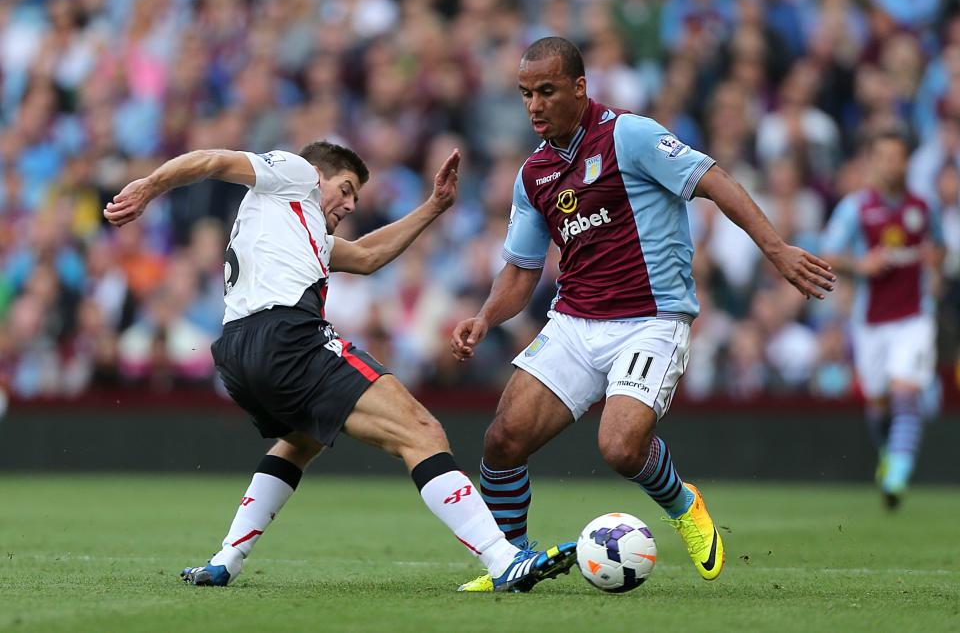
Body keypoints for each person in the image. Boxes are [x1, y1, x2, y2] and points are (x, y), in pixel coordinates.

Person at [450, 37, 836, 591]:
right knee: (501, 440)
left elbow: (714, 181)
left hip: (651, 320)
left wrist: (775, 249)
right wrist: (486, 316)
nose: (533, 105)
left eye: (547, 91)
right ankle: (511, 561)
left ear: (580, 88)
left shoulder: (629, 135)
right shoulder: (533, 174)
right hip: (576, 322)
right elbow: (521, 269)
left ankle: (683, 502)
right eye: (525, 94)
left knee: (620, 446)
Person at [103, 141, 577, 591]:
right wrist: (148, 186)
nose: (350, 204)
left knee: (300, 440)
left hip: (236, 352)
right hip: (286, 336)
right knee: (421, 430)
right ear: (316, 175)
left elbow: (369, 256)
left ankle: (225, 560)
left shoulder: (293, 228)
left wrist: (434, 206)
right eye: (346, 188)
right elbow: (210, 160)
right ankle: (502, 557)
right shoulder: (293, 173)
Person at [822, 130, 945, 509]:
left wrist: (935, 267)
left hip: (914, 317)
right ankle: (889, 455)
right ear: (874, 162)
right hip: (871, 321)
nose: (893, 164)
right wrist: (860, 264)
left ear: (908, 162)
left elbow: (939, 247)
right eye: (885, 157)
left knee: (906, 392)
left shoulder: (924, 206)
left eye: (899, 157)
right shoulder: (856, 207)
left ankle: (896, 477)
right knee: (878, 404)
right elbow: (829, 252)